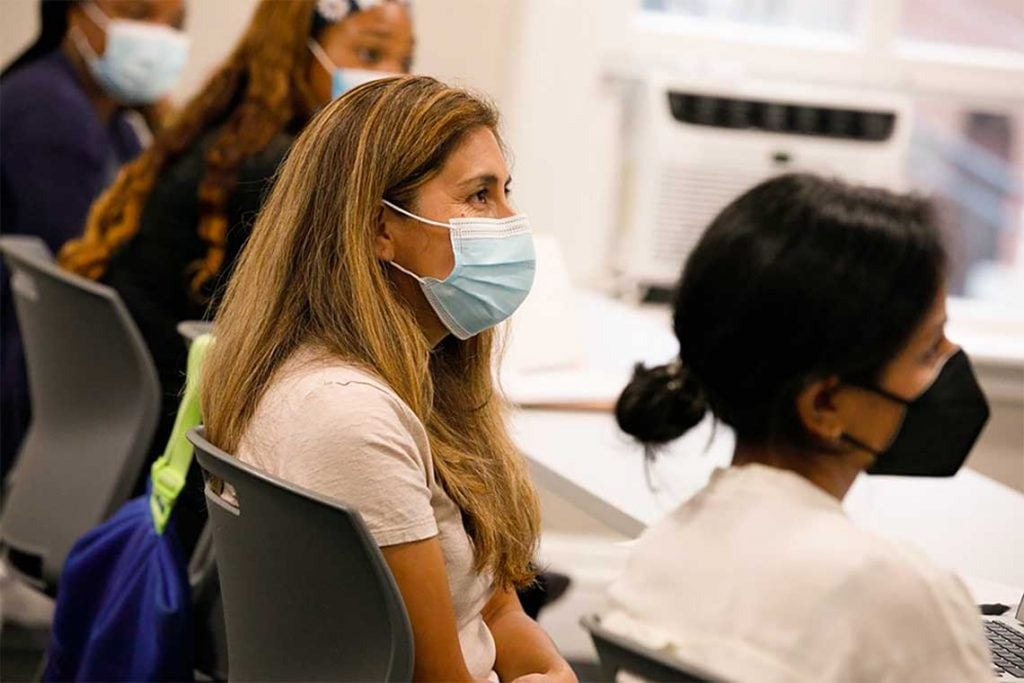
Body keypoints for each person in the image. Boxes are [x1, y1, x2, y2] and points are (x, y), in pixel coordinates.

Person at [202, 76, 576, 683]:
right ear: (380, 228)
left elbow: (495, 605)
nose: (511, 221)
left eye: (506, 192)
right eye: (479, 196)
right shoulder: (347, 416)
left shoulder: (414, 374)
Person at [607, 173, 993, 682]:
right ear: (826, 404)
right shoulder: (897, 593)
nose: (950, 364)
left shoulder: (660, 549)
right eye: (928, 349)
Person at [57, 0, 413, 508]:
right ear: (297, 51)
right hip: (190, 447)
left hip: (142, 429)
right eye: (370, 53)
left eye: (404, 59)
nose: (391, 78)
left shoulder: (232, 136)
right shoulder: (272, 170)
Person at [1, 0, 187, 480]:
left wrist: (165, 122)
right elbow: (84, 270)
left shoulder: (117, 124)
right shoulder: (48, 110)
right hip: (30, 374)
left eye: (175, 24)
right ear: (74, 14)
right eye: (140, 15)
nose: (158, 38)